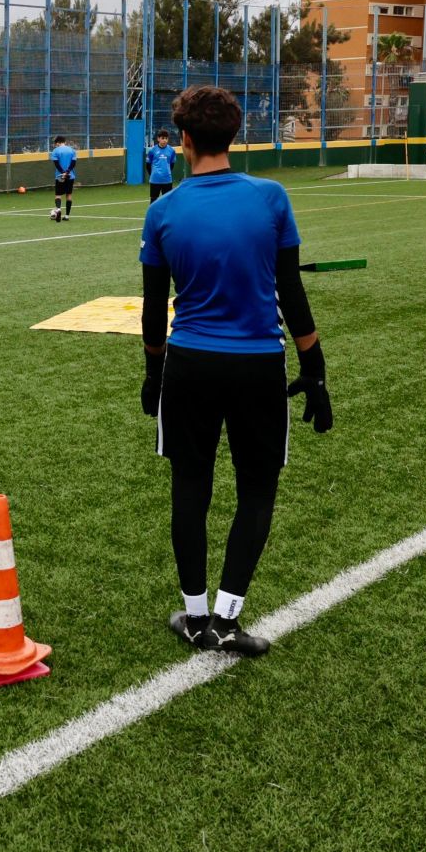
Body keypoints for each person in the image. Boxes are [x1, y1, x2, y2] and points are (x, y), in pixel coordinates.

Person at [138, 87, 332, 657]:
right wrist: (315, 370)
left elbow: (152, 311)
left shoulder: (163, 211)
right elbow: (291, 292)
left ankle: (195, 616)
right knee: (257, 489)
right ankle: (226, 620)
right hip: (258, 366)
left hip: (189, 365)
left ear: (184, 140)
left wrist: (153, 374)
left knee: (190, 486)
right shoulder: (271, 198)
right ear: (234, 135)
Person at [50, 136, 78, 221]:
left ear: (58, 143)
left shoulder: (55, 151)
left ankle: (58, 209)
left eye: (56, 143)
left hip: (60, 176)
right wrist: (68, 172)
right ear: (64, 142)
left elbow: (56, 164)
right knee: (69, 195)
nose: (55, 145)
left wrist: (63, 172)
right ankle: (67, 216)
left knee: (58, 195)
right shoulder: (72, 150)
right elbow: (73, 163)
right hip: (70, 176)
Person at [145, 129, 178, 202]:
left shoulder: (171, 151)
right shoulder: (152, 150)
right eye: (162, 138)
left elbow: (172, 164)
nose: (164, 140)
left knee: (167, 201)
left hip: (167, 180)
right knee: (153, 200)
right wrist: (153, 174)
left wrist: (167, 173)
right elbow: (148, 165)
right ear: (158, 139)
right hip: (155, 180)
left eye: (166, 138)